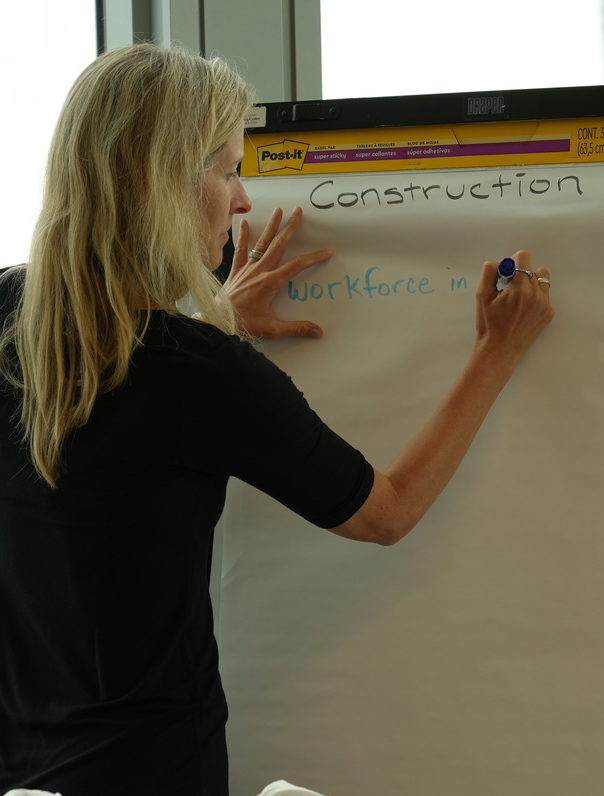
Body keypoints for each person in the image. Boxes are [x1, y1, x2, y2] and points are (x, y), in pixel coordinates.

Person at [0, 44, 553, 796]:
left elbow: (111, 409)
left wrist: (217, 315)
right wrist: (496, 351)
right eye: (228, 170)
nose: (242, 200)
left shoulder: (13, 314)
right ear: (164, 183)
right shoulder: (199, 373)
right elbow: (385, 514)